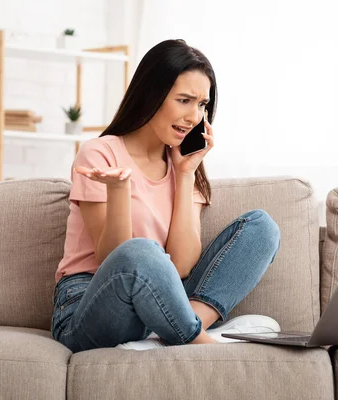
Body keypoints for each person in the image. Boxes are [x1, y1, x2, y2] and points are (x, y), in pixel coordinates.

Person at [51, 39, 282, 352]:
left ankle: (172, 330)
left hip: (161, 299)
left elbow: (183, 265)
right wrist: (118, 189)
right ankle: (200, 343)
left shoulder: (185, 166)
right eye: (184, 100)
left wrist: (185, 174)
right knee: (141, 252)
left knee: (261, 227)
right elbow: (114, 259)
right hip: (93, 302)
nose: (194, 117)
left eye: (202, 105)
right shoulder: (99, 154)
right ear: (152, 94)